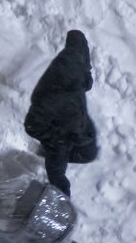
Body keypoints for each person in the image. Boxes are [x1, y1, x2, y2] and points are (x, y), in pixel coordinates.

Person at [23, 29, 98, 197]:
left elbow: (77, 38)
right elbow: (31, 126)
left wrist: (87, 74)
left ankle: (54, 150)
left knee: (89, 152)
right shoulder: (49, 100)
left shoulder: (74, 62)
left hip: (77, 126)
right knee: (57, 175)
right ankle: (61, 201)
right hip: (58, 137)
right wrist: (55, 139)